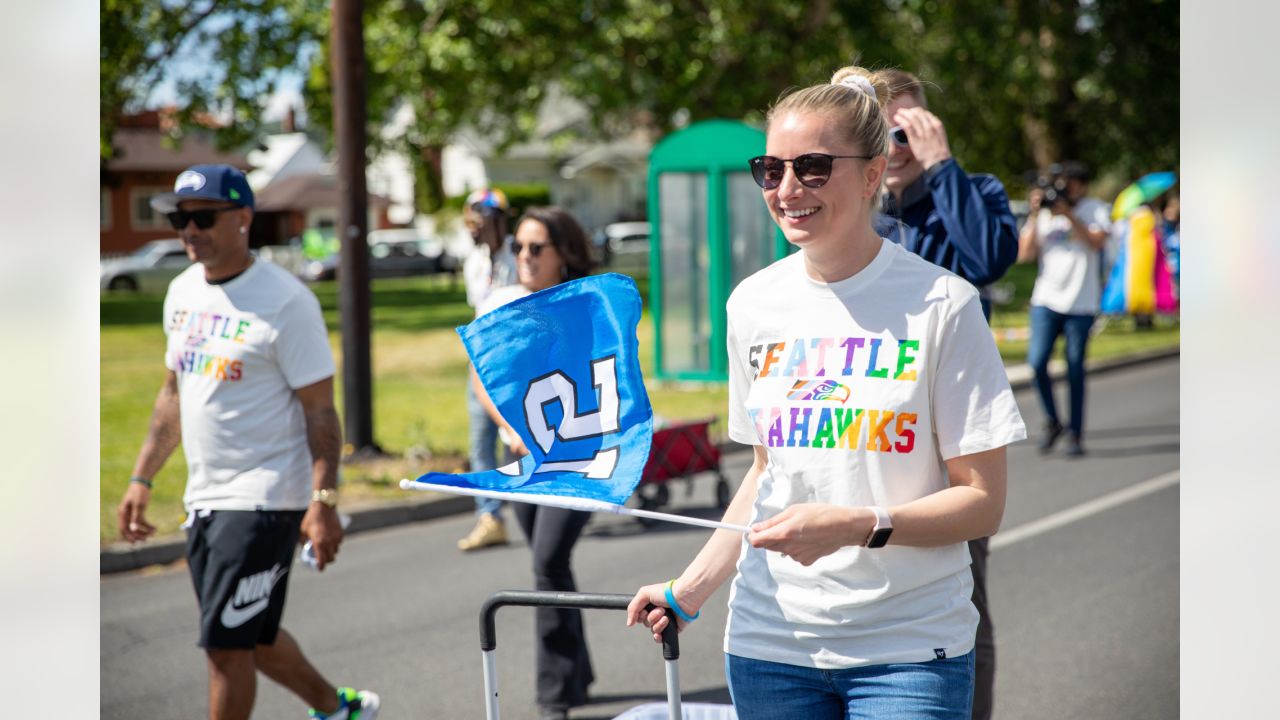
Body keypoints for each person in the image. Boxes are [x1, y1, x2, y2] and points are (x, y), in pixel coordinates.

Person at [627, 67, 1026, 719]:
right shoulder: (752, 304)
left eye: (813, 167)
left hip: (907, 653)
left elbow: (981, 502)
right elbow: (765, 476)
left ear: (872, 174)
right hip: (770, 648)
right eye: (770, 169)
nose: (787, 190)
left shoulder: (943, 305)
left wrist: (860, 526)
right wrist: (690, 589)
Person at [115, 164, 380, 720]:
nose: (188, 230)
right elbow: (173, 393)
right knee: (250, 633)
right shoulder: (181, 292)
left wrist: (323, 502)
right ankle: (339, 709)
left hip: (263, 499)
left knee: (224, 645)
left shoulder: (286, 302)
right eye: (179, 219)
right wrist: (143, 477)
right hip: (204, 497)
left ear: (243, 218)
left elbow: (321, 412)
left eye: (202, 217)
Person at [874, 68, 1020, 720]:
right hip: (871, 422)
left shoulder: (973, 190)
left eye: (911, 127)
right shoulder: (856, 206)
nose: (900, 143)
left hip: (951, 429)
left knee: (962, 598)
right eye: (887, 129)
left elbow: (987, 258)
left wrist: (943, 169)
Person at [472, 206, 598, 720]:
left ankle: (554, 695)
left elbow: (603, 383)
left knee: (546, 562)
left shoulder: (587, 307)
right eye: (518, 247)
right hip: (520, 455)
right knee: (553, 567)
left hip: (576, 456)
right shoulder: (500, 302)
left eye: (535, 248)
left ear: (563, 254)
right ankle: (579, 672)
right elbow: (482, 376)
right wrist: (509, 429)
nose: (523, 256)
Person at [1018, 161, 1112, 457]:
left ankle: (1075, 433)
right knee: (1036, 363)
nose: (1063, 189)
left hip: (1081, 304)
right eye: (1059, 183)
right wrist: (1034, 215)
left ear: (1081, 185)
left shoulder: (1095, 208)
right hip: (1046, 300)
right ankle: (1052, 421)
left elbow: (1097, 243)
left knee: (1074, 368)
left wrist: (1069, 214)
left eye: (1069, 183)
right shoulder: (1045, 213)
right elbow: (1025, 253)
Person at [456, 187, 519, 551]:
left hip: (515, 365)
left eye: (480, 221)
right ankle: (490, 516)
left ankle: (541, 502)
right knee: (480, 441)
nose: (474, 229)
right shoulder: (474, 263)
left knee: (521, 440)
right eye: (470, 222)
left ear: (498, 220)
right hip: (482, 363)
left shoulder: (520, 254)